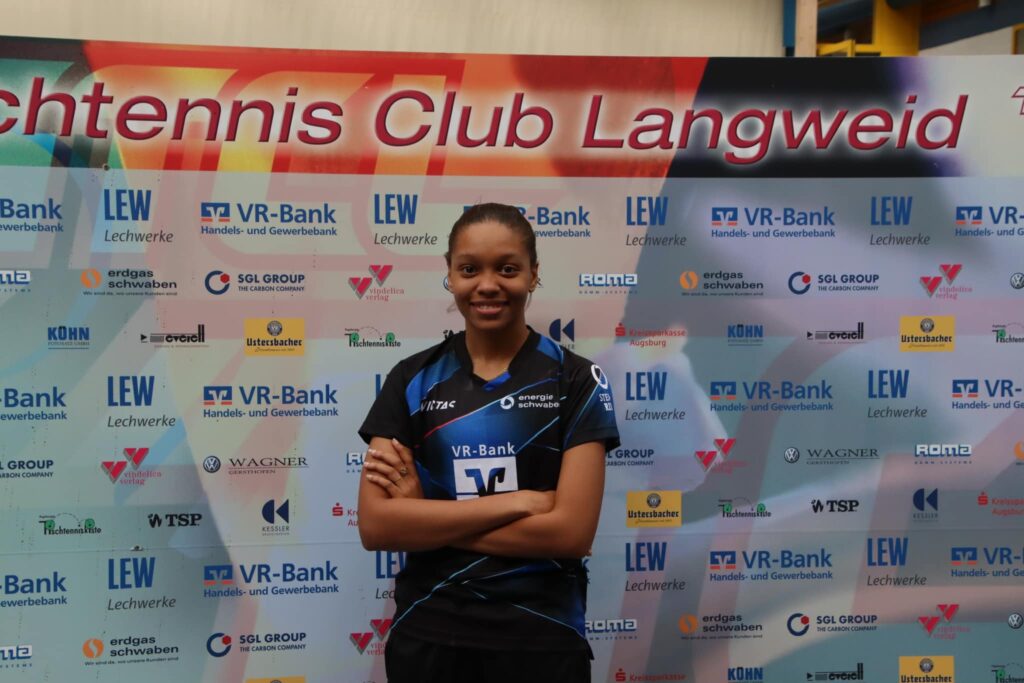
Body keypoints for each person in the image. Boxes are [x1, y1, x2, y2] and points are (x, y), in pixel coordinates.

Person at [357, 202, 620, 683]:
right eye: (469, 269)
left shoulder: (577, 380)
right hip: (429, 636)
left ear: (533, 274)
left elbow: (570, 535)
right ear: (450, 274)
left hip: (542, 640)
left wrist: (425, 518)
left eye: (507, 269)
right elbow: (377, 527)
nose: (487, 284)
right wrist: (518, 503)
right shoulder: (410, 379)